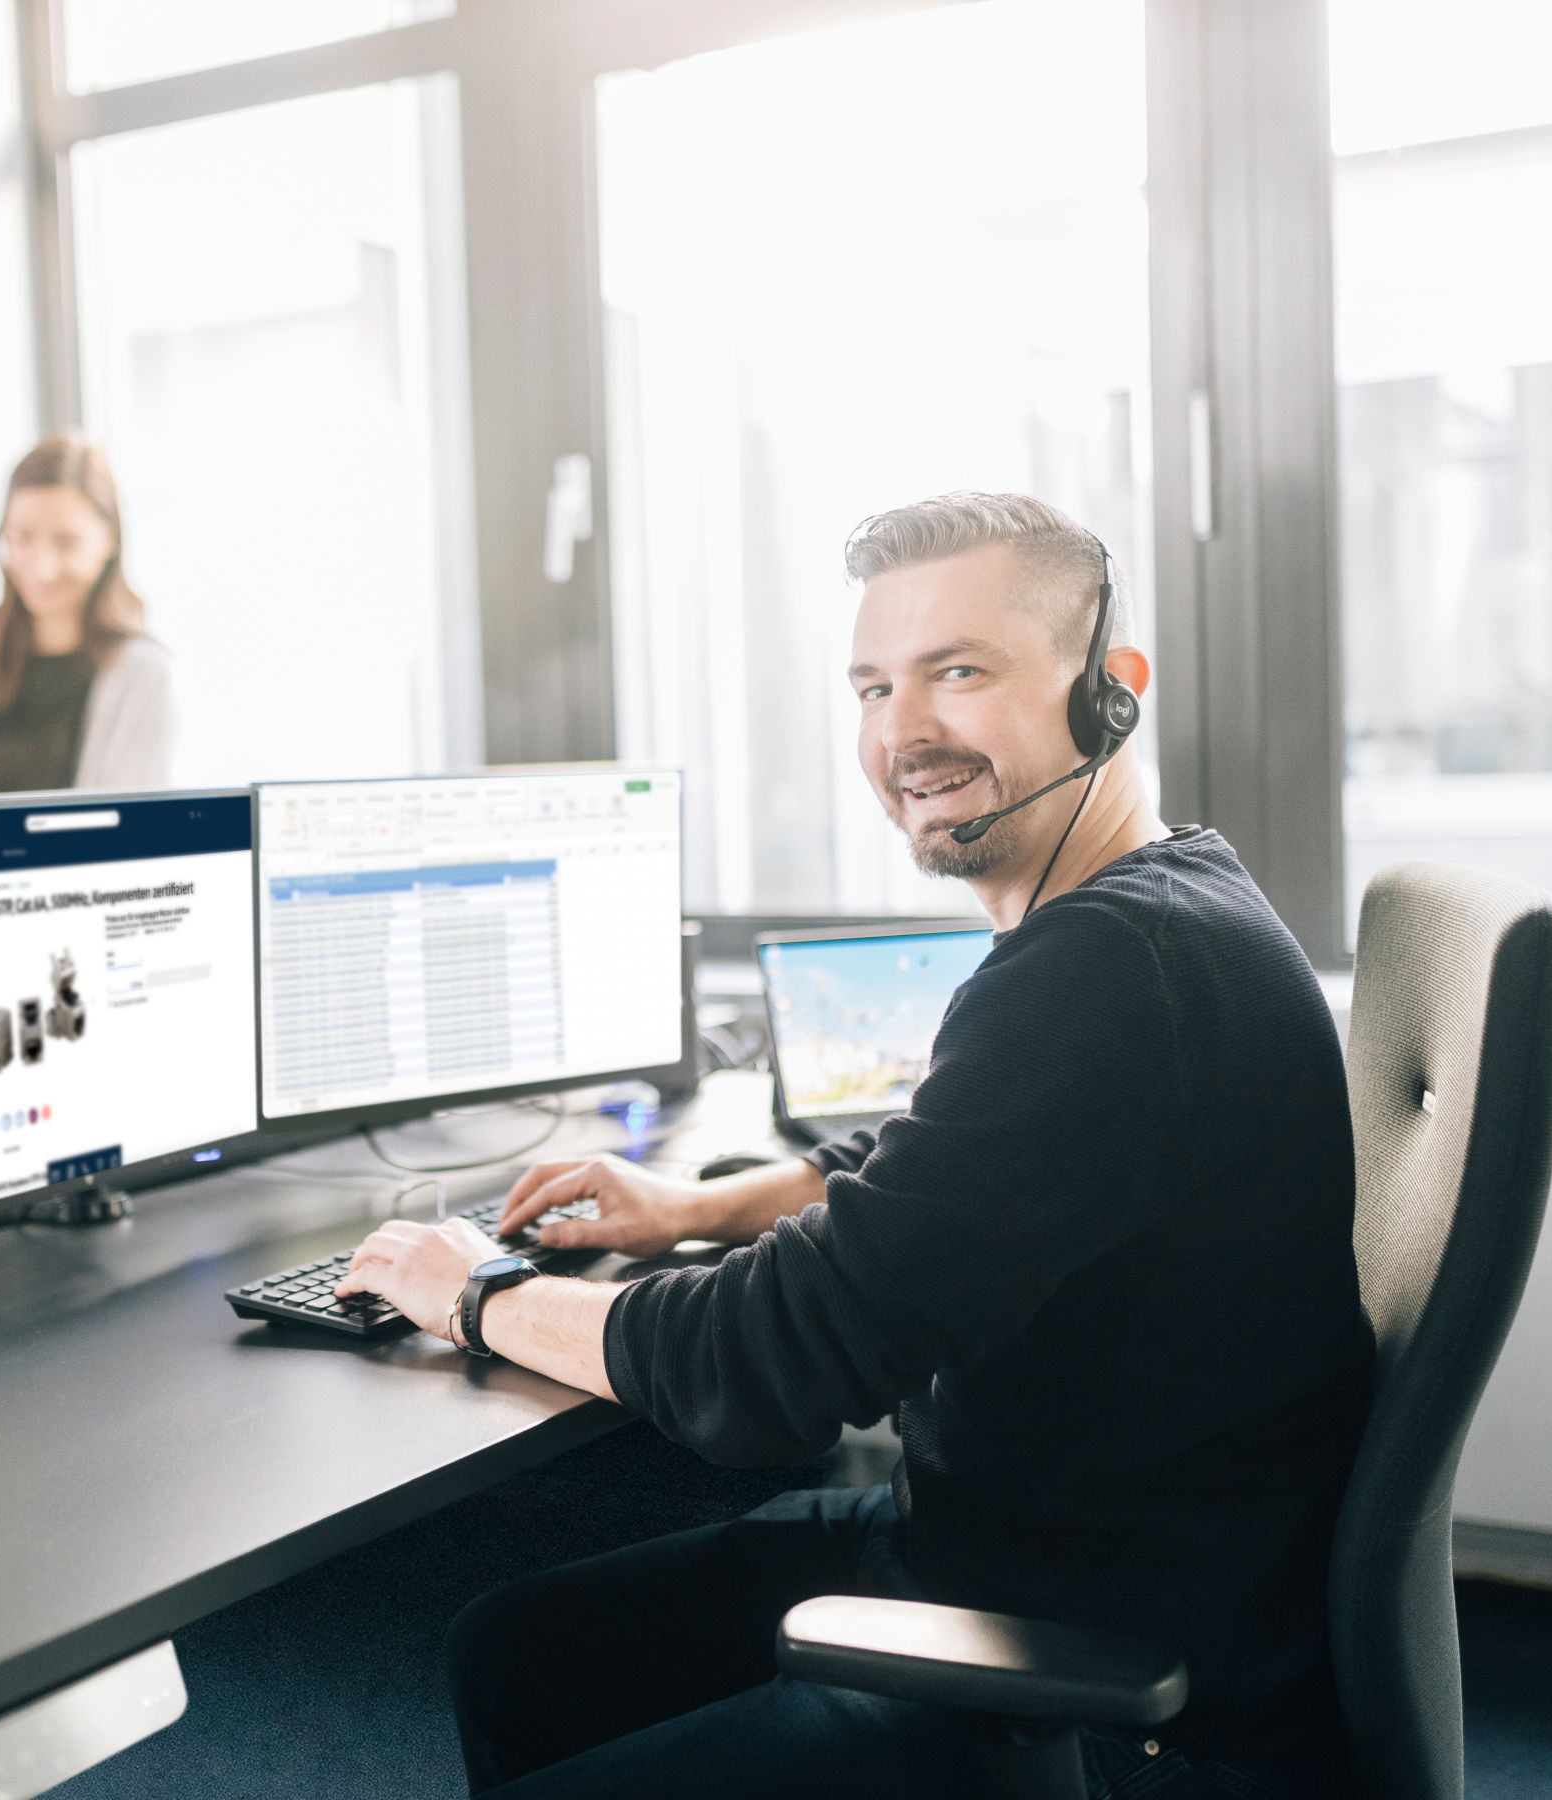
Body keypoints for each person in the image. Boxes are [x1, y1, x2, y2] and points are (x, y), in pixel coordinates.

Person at [338, 492, 1375, 1798]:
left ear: (1112, 691)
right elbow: (962, 1183)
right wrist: (696, 1209)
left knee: (541, 1678)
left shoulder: (1106, 971)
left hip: (1115, 1677)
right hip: (1035, 1554)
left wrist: (475, 1293)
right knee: (522, 1655)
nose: (903, 732)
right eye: (873, 687)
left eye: (960, 672)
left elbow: (772, 1364)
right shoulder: (1165, 904)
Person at [0, 434, 175, 795]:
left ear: (109, 540)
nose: (43, 568)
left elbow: (128, 829)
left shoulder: (141, 674)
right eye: (22, 536)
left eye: (66, 543)